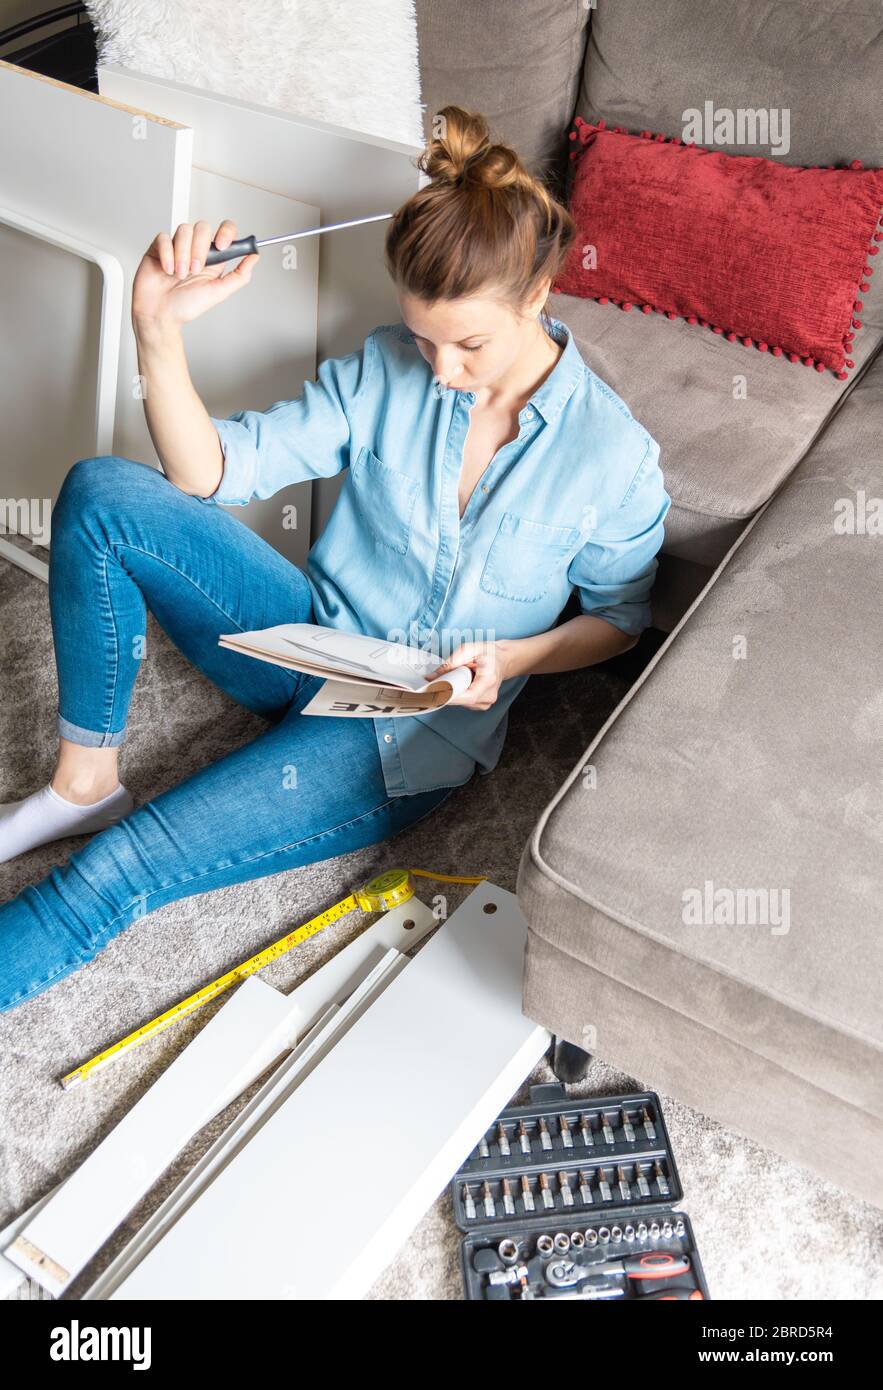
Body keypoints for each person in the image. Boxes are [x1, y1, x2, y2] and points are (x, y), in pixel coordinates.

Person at [0, 105, 670, 1012]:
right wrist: (156, 325)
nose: (440, 372)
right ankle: (84, 783)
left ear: (538, 297)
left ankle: (102, 834)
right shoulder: (386, 367)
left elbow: (618, 623)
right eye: (425, 339)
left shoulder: (612, 457)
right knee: (103, 491)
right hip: (307, 639)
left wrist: (510, 661)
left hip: (406, 734)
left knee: (123, 868)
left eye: (468, 344)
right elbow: (209, 474)